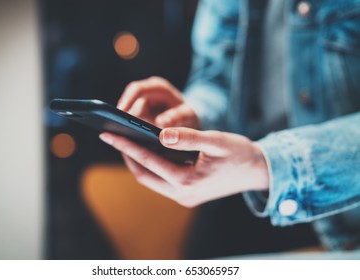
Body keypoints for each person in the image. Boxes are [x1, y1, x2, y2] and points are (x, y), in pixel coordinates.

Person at [100, 0, 360, 251]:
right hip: (236, 192)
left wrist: (266, 163)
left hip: (344, 216)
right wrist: (193, 115)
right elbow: (218, 76)